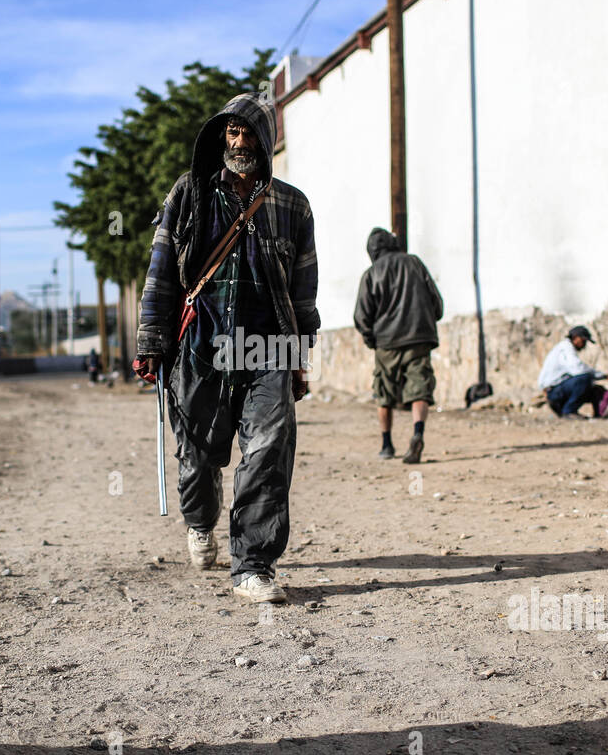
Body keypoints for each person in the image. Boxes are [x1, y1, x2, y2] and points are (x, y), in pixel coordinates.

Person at [134, 94, 318, 604]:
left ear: (267, 141)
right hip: (199, 345)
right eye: (231, 132)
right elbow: (162, 268)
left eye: (249, 132)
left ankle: (254, 565)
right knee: (197, 454)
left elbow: (304, 291)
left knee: (267, 451)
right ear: (221, 138)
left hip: (267, 347)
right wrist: (151, 340)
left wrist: (300, 356)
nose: (239, 142)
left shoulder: (292, 205)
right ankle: (200, 520)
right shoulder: (189, 193)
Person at [353, 228, 443, 463]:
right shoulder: (414, 263)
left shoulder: (371, 274)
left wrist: (371, 339)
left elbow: (362, 315)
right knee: (419, 389)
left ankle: (386, 444)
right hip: (418, 338)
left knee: (384, 394)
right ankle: (417, 434)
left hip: (386, 343)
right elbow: (436, 300)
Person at [538, 326, 608, 418]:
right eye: (583, 341)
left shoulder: (564, 347)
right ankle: (569, 411)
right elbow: (578, 369)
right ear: (575, 338)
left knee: (596, 389)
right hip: (554, 392)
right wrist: (602, 375)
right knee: (585, 378)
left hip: (558, 389)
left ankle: (598, 415)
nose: (584, 345)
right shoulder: (565, 348)